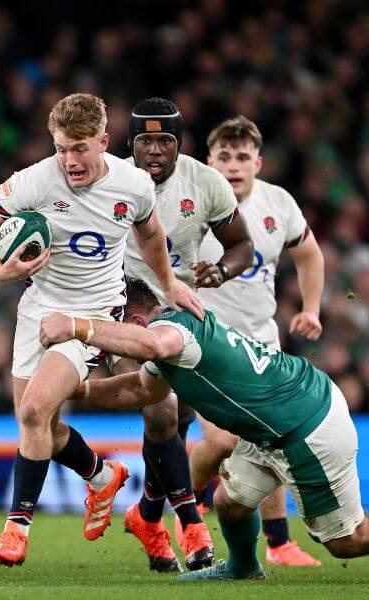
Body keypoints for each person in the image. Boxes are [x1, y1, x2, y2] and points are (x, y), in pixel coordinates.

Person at [0, 92, 203, 567]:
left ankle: (15, 530)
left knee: (35, 409)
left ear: (103, 142)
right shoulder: (34, 180)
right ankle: (101, 476)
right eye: (61, 148)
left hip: (94, 312)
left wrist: (169, 283)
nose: (69, 160)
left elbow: (151, 235)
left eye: (79, 148)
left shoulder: (133, 185)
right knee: (39, 426)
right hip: (37, 310)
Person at [40, 277, 368, 581]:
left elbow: (153, 344)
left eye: (114, 328)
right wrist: (70, 389)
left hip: (305, 427)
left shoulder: (173, 331)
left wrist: (76, 326)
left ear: (137, 323)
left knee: (346, 542)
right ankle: (243, 569)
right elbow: (138, 390)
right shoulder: (171, 344)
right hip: (278, 424)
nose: (111, 349)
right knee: (229, 502)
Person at [121, 98, 254, 572]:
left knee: (175, 424)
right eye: (145, 141)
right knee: (162, 412)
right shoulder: (111, 179)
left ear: (179, 143)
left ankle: (146, 516)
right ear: (130, 143)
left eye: (165, 141)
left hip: (181, 313)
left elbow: (242, 245)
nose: (155, 150)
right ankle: (190, 523)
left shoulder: (206, 183)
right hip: (125, 310)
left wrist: (221, 270)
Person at [194, 116, 325, 567]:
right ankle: (190, 507)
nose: (233, 165)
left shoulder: (279, 203)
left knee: (272, 439)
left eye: (242, 157)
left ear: (258, 162)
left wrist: (311, 309)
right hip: (206, 341)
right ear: (209, 162)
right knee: (225, 441)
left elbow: (309, 255)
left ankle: (279, 542)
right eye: (224, 157)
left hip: (262, 343)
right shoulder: (192, 202)